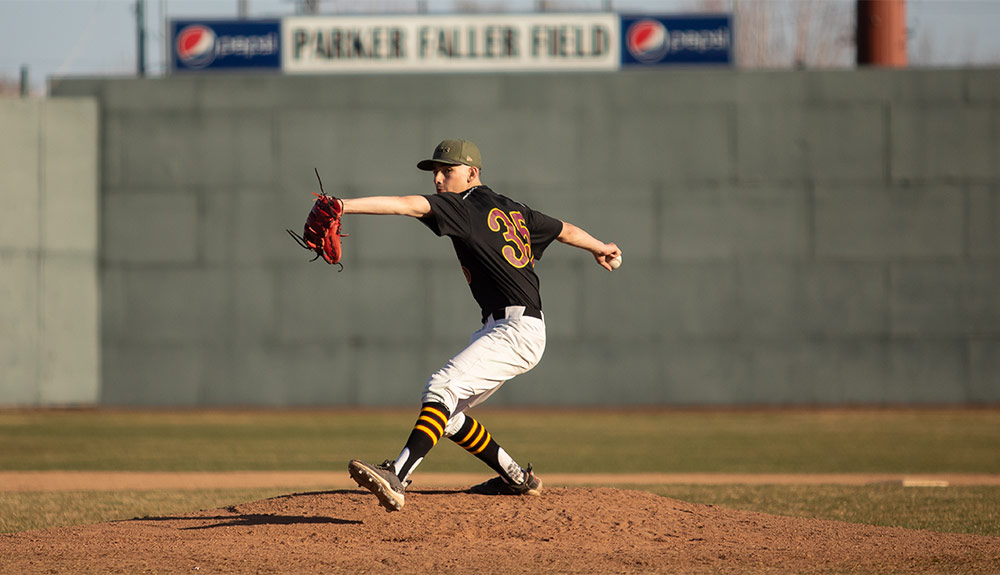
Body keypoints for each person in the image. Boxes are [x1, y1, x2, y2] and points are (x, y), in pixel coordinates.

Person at [344, 139, 621, 512]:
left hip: (515, 330)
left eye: (448, 171)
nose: (439, 179)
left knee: (441, 386)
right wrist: (599, 247)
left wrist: (342, 206)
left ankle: (398, 476)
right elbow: (564, 230)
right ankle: (516, 477)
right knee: (450, 414)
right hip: (513, 329)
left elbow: (406, 205)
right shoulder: (514, 209)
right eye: (436, 172)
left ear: (472, 173)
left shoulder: (461, 206)